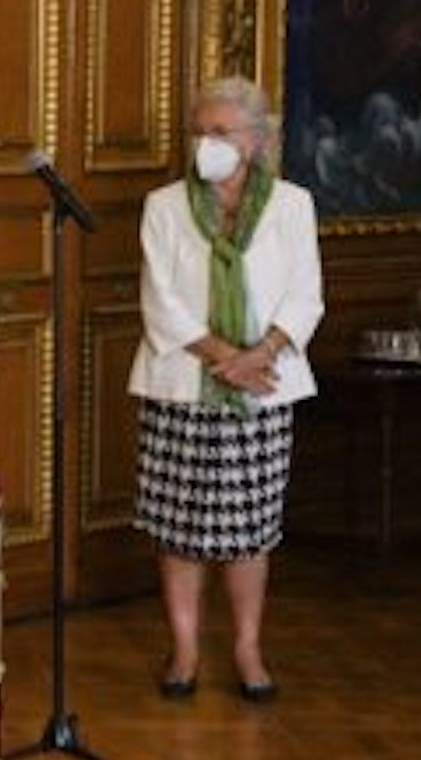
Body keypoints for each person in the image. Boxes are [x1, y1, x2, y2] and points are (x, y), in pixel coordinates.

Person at [130, 76, 324, 703]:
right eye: (200, 131)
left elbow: (305, 294)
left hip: (264, 387)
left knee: (251, 527)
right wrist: (224, 357)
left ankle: (246, 646)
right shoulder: (164, 206)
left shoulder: (293, 205)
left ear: (256, 139)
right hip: (183, 385)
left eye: (220, 132)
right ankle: (184, 647)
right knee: (178, 525)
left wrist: (260, 354)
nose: (206, 142)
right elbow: (159, 298)